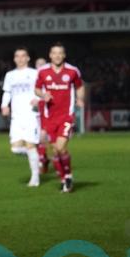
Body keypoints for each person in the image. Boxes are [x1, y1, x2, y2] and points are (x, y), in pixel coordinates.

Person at [35, 43, 85, 193]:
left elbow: (80, 86)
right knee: (54, 152)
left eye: (60, 53)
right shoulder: (43, 72)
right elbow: (37, 89)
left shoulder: (72, 71)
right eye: (54, 53)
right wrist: (43, 95)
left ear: (64, 55)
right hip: (49, 117)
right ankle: (64, 179)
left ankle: (68, 176)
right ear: (50, 55)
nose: (57, 56)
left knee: (60, 147)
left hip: (66, 116)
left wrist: (80, 98)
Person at [1, 48, 42, 186]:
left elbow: (42, 90)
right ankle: (36, 156)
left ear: (28, 58)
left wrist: (38, 99)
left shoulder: (35, 73)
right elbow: (7, 92)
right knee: (15, 148)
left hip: (31, 114)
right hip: (16, 117)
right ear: (14, 59)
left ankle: (35, 178)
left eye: (23, 56)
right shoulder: (10, 75)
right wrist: (4, 105)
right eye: (17, 56)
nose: (20, 58)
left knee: (30, 144)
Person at [33, 57, 50, 172]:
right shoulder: (31, 76)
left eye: (43, 64)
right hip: (31, 111)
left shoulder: (49, 76)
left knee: (42, 137)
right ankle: (43, 159)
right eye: (38, 63)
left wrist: (39, 101)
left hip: (45, 109)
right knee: (34, 138)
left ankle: (42, 160)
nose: (40, 66)